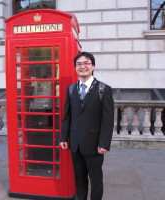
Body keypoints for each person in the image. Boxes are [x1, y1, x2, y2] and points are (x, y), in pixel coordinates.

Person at [60, 52, 114, 200]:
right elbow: (67, 116)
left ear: (93, 66)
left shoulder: (104, 89)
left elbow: (108, 120)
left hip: (95, 144)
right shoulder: (71, 89)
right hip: (75, 143)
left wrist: (104, 143)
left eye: (86, 63)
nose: (82, 66)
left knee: (96, 180)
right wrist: (63, 137)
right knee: (79, 179)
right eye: (79, 64)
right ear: (75, 67)